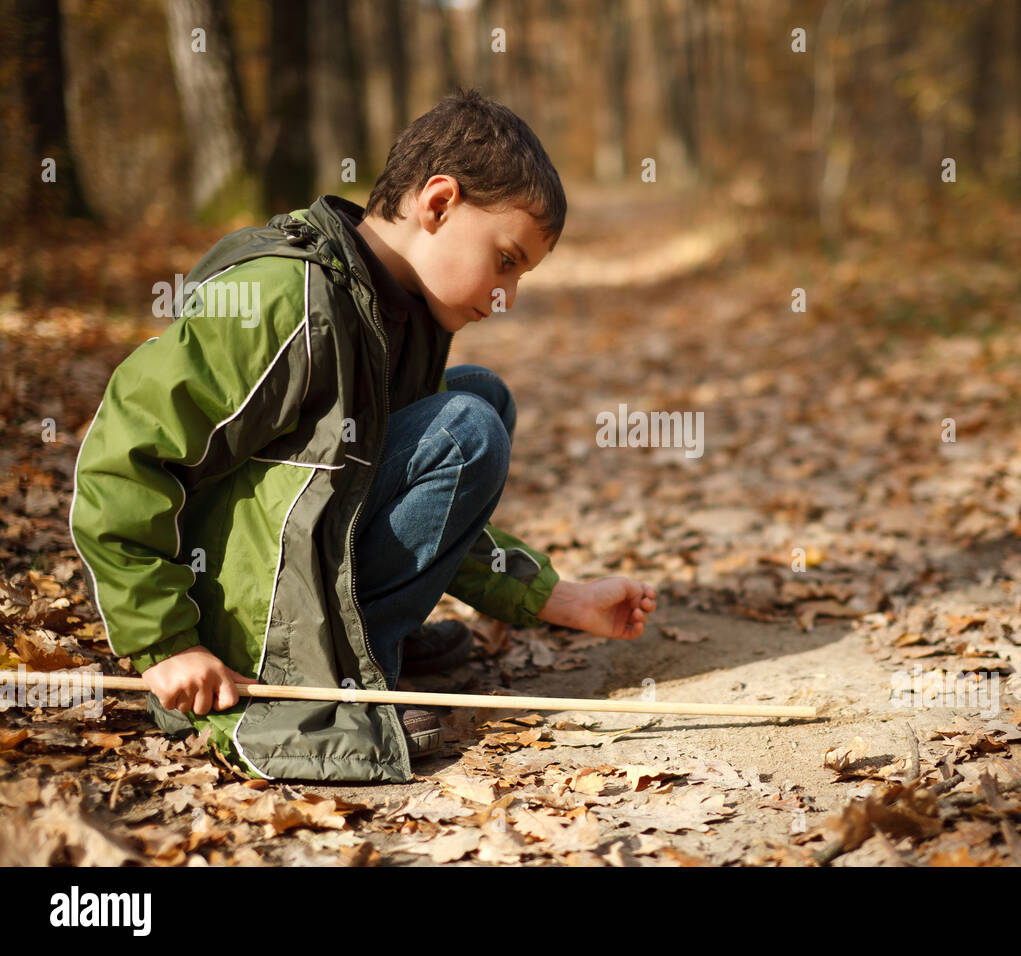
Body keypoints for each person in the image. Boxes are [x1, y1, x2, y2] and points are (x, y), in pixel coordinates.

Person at [69, 88, 657, 782]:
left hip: (297, 572)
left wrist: (556, 597)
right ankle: (352, 681)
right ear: (437, 203)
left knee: (478, 402)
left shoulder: (403, 314)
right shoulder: (288, 300)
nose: (508, 297)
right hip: (238, 638)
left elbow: (400, 491)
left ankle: (372, 644)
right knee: (467, 425)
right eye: (506, 260)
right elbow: (122, 456)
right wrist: (164, 644)